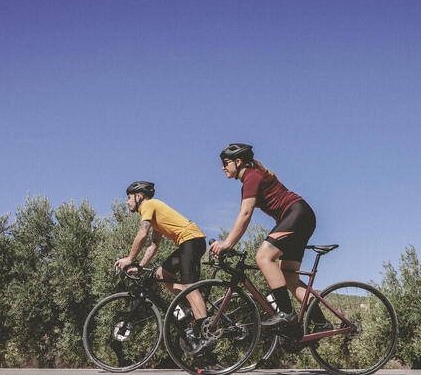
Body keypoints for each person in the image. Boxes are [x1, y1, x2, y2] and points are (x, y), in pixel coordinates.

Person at [209, 143, 328, 334]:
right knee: (289, 276)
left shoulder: (251, 177)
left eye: (225, 163)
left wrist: (227, 243)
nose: (223, 167)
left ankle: (286, 314)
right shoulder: (254, 176)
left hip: (296, 214)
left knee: (263, 257)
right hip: (301, 216)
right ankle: (321, 322)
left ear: (238, 162)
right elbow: (245, 214)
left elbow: (245, 214)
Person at [115, 181, 209, 352]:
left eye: (129, 198)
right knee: (161, 274)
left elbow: (142, 234)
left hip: (192, 240)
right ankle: (192, 305)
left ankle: (204, 330)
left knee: (190, 287)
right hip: (188, 242)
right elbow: (153, 244)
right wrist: (141, 266)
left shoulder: (148, 205)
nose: (127, 202)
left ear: (139, 197)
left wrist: (129, 258)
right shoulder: (155, 215)